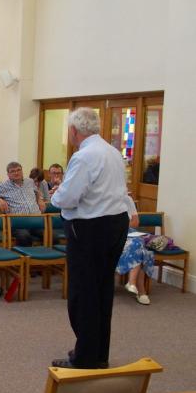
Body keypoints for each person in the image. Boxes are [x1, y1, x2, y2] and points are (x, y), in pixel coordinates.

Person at [50, 108, 131, 369]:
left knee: (83, 293)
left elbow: (68, 197)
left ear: (74, 130)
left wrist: (55, 195)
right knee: (102, 290)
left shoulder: (84, 156)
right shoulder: (113, 152)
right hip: (116, 225)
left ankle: (84, 357)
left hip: (90, 229)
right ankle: (99, 354)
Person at [0, 162, 46, 246]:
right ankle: (27, 258)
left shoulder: (30, 182)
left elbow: (37, 192)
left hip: (35, 221)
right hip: (17, 223)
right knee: (25, 237)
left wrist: (40, 200)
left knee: (52, 236)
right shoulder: (3, 186)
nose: (16, 173)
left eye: (18, 170)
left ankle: (44, 257)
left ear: (22, 171)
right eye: (13, 171)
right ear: (8, 174)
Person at [117, 202, 153, 305]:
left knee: (138, 243)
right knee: (142, 251)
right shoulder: (106, 197)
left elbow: (135, 222)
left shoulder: (128, 200)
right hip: (112, 235)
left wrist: (122, 225)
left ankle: (132, 283)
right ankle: (141, 290)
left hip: (129, 232)